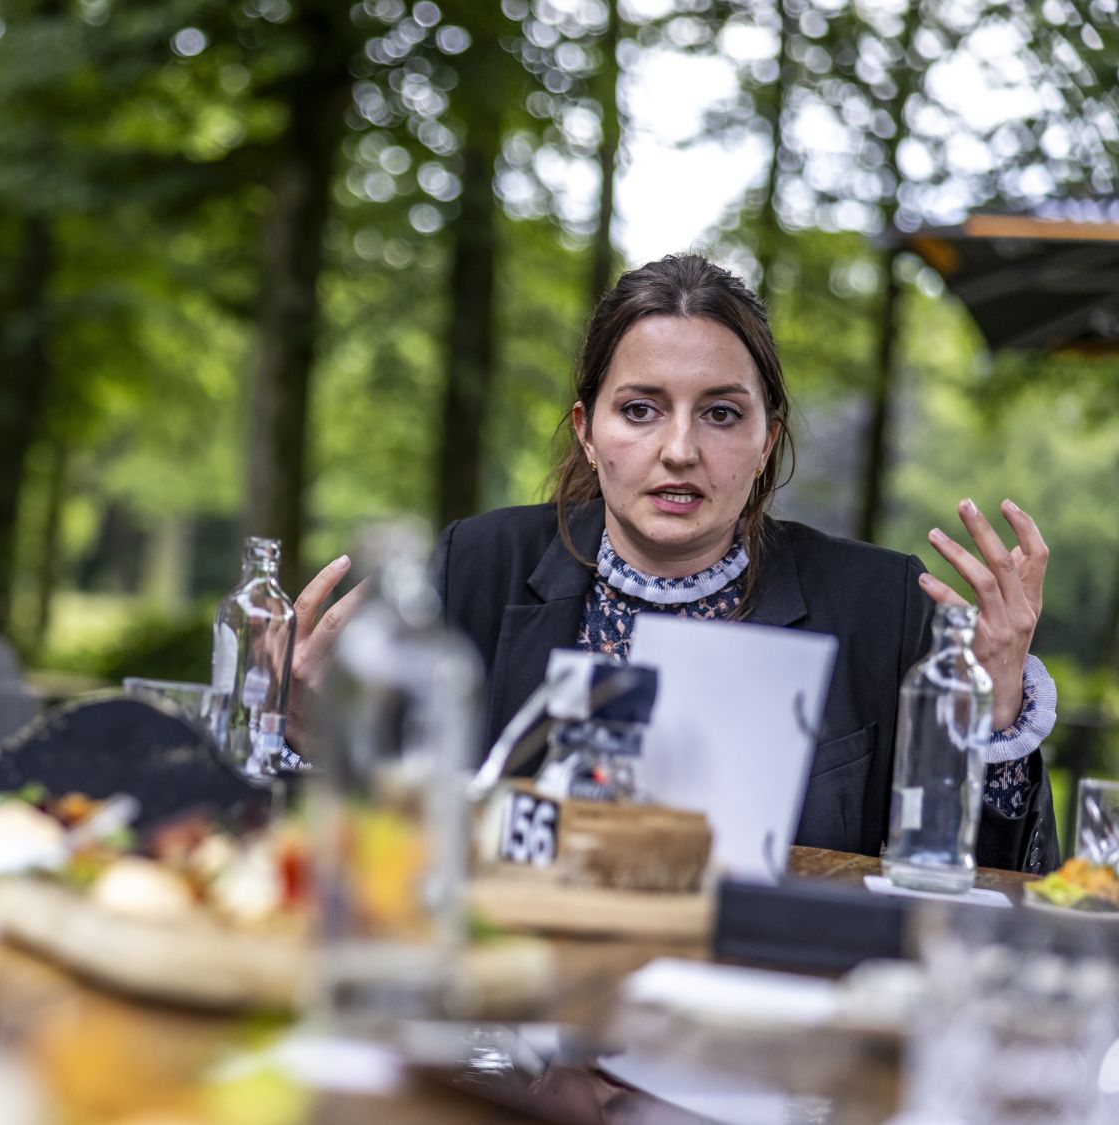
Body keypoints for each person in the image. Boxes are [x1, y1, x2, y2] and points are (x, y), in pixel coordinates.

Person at [291, 254, 1058, 871]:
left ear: (766, 440)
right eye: (641, 409)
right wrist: (311, 734)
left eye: (722, 414)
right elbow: (370, 846)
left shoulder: (880, 605)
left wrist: (994, 718)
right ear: (588, 432)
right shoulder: (476, 568)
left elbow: (979, 887)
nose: (681, 450)